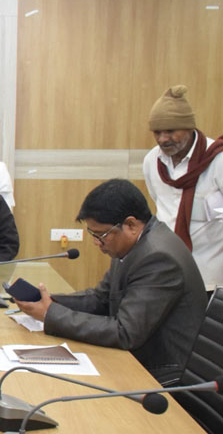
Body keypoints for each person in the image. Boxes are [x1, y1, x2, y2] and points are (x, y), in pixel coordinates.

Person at [13, 179, 205, 386]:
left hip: (163, 373)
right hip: (136, 358)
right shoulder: (132, 245)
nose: (96, 242)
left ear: (130, 225)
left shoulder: (158, 258)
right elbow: (100, 299)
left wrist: (50, 314)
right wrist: (49, 302)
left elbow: (125, 332)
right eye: (93, 234)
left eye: (101, 235)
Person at [141, 85, 222, 293]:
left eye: (170, 131)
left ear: (189, 127)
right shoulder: (152, 161)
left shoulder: (218, 161)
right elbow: (159, 203)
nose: (163, 139)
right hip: (165, 273)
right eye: (157, 132)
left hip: (209, 278)